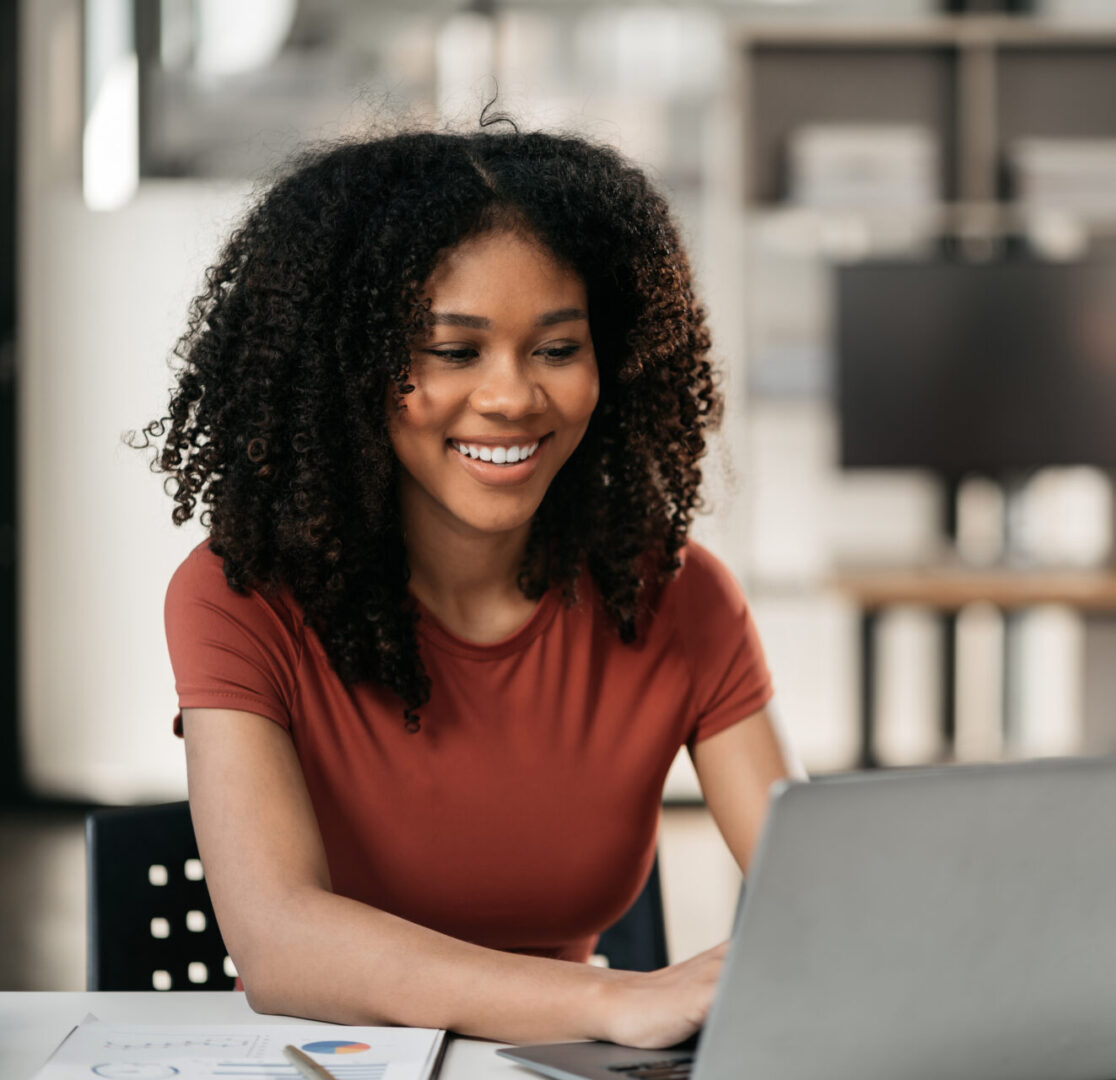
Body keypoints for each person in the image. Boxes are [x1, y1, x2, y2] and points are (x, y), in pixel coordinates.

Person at [139, 126, 801, 1048]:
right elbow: (281, 942)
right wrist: (616, 1001)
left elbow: (819, 900)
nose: (513, 397)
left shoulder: (676, 596)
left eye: (557, 349)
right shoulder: (239, 596)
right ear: (350, 365)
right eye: (455, 352)